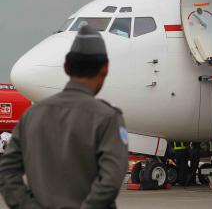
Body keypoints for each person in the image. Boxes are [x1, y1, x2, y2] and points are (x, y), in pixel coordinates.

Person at [0, 26, 129, 208]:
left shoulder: (32, 115)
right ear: (105, 69)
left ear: (66, 66)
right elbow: (111, 179)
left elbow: (6, 171)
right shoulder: (107, 118)